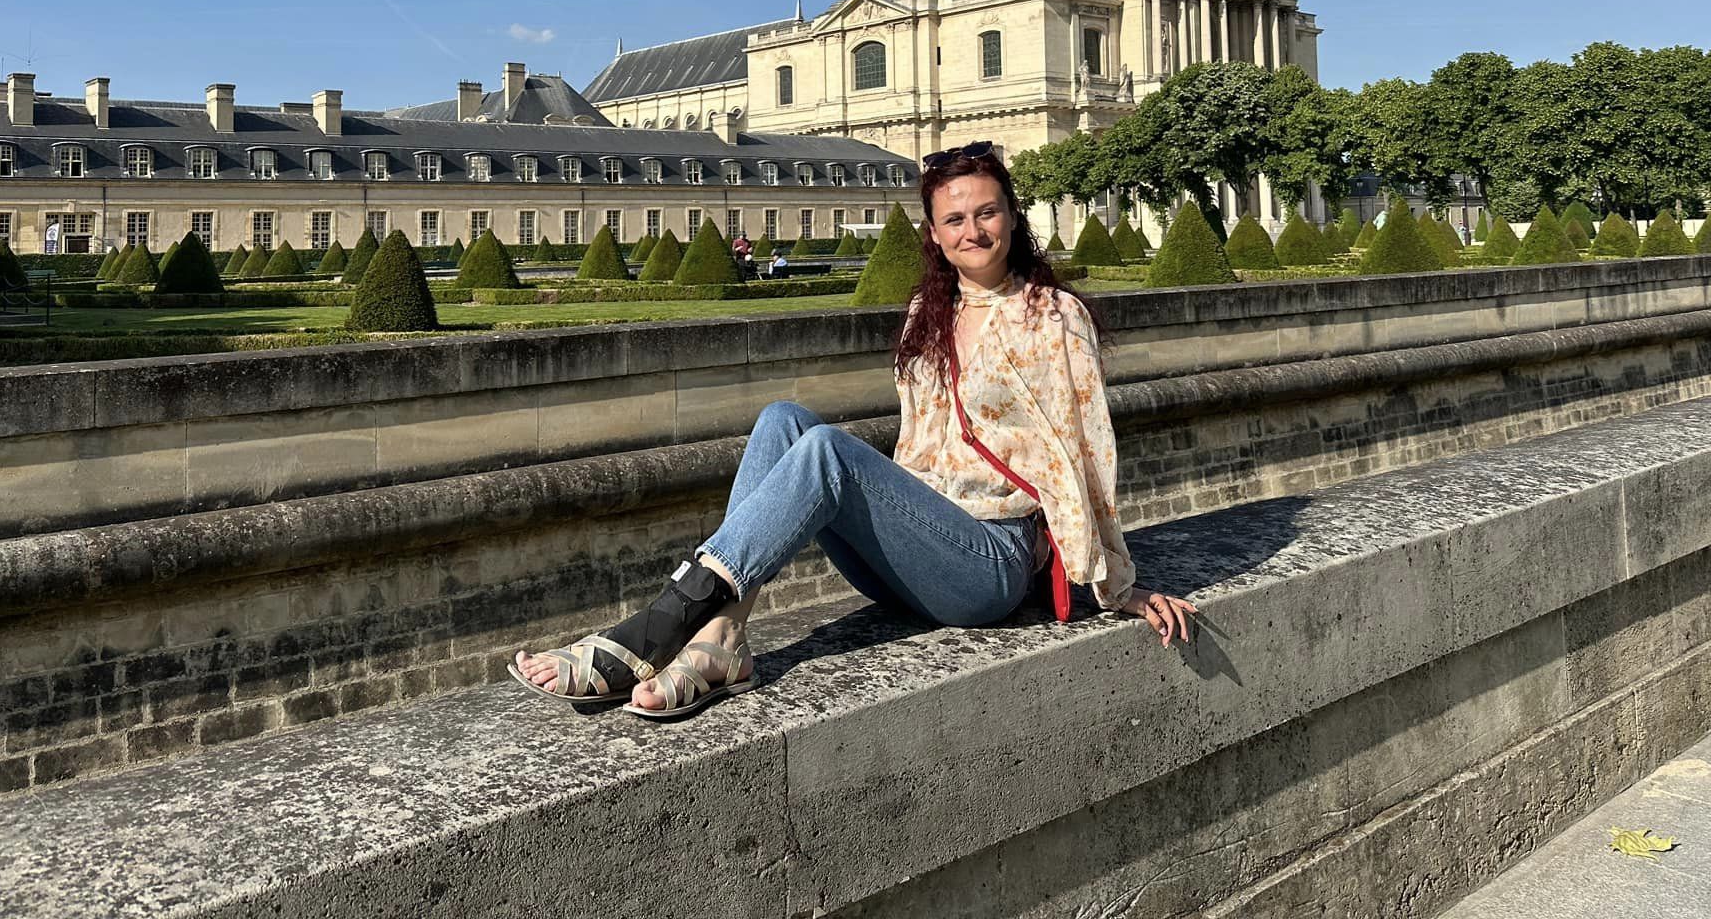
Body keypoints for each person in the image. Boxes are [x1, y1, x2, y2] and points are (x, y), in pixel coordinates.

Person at [509, 142, 1199, 721]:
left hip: (988, 562)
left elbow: (1086, 450)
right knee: (783, 420)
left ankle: (660, 624)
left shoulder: (1053, 315)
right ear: (933, 233)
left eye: (987, 212)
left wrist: (1117, 584)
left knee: (827, 453)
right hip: (915, 548)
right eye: (953, 219)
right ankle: (723, 636)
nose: (973, 231)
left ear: (1013, 217)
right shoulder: (926, 313)